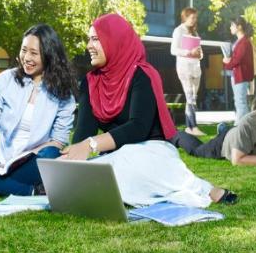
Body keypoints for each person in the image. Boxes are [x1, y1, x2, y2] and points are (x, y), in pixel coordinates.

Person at [58, 13, 238, 207]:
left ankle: (204, 188)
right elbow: (84, 132)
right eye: (88, 40)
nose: (88, 46)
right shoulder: (90, 82)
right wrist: (69, 162)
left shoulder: (142, 75)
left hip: (151, 153)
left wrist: (91, 145)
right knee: (90, 173)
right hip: (115, 156)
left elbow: (138, 128)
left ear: (114, 40)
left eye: (95, 39)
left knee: (123, 163)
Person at [0, 24, 76, 196]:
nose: (26, 57)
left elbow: (58, 140)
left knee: (52, 154)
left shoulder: (63, 93)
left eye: (34, 53)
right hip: (2, 163)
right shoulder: (5, 79)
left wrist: (30, 154)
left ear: (49, 55)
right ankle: (31, 191)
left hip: (33, 160)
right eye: (24, 50)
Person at [171, 7, 204, 135]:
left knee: (193, 98)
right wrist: (189, 52)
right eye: (192, 17)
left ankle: (189, 127)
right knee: (190, 97)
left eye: (195, 17)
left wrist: (199, 54)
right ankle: (192, 127)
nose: (194, 20)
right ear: (185, 17)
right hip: (185, 68)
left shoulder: (195, 33)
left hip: (196, 68)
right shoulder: (178, 31)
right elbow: (173, 50)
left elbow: (200, 52)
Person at [221, 16, 255, 121]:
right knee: (239, 101)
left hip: (241, 75)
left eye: (232, 25)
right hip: (237, 75)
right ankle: (245, 124)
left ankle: (240, 125)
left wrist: (227, 63)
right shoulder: (240, 41)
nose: (230, 27)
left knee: (240, 101)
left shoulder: (244, 42)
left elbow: (237, 60)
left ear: (239, 27)